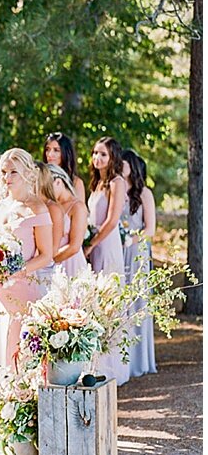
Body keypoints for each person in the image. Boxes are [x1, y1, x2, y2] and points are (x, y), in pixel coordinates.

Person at [0, 150, 55, 424]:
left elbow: (46, 255)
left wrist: (17, 270)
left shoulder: (38, 208)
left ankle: (25, 421)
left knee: (21, 356)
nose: (7, 177)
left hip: (26, 293)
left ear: (27, 173)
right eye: (4, 172)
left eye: (13, 172)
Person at [84, 137, 130, 385]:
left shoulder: (116, 182)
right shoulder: (97, 183)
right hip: (94, 241)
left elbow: (112, 221)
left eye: (102, 154)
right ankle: (95, 362)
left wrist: (91, 244)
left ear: (112, 157)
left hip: (108, 244)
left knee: (109, 301)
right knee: (95, 302)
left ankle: (114, 368)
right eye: (95, 153)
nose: (97, 158)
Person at [121, 149, 157, 379]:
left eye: (122, 164)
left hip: (137, 250)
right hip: (118, 249)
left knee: (138, 300)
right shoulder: (115, 190)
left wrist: (129, 240)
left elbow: (150, 229)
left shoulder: (144, 193)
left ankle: (139, 360)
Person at [43, 162, 91, 279]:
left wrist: (48, 261)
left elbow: (74, 246)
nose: (45, 192)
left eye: (47, 187)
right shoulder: (51, 206)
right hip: (51, 264)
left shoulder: (77, 207)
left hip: (71, 263)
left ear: (58, 181)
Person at [42, 132, 87, 206]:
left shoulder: (76, 182)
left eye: (56, 150)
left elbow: (81, 213)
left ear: (66, 153)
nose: (50, 154)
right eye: (47, 149)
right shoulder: (41, 179)